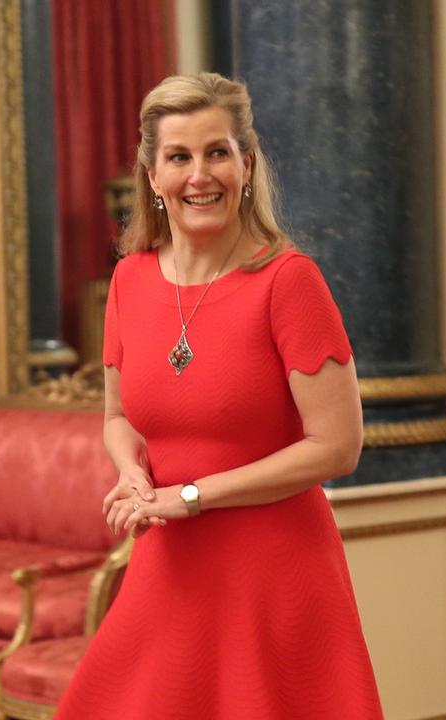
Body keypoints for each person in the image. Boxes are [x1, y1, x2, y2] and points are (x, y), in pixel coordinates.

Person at [54, 73, 383, 719]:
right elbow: (118, 416)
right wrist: (133, 475)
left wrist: (193, 496)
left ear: (246, 164)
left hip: (276, 577)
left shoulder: (289, 281)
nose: (199, 175)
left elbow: (338, 447)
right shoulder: (128, 280)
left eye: (217, 152)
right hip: (170, 565)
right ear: (152, 174)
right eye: (179, 157)